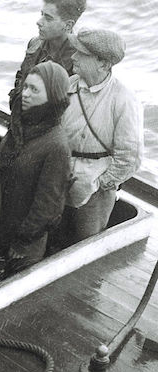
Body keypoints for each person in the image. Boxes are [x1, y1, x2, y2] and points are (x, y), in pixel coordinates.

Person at [58, 29, 143, 244]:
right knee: (54, 237)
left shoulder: (124, 99)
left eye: (82, 54)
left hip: (93, 189)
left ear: (103, 64)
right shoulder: (69, 84)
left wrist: (100, 183)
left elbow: (130, 158)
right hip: (59, 177)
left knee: (84, 244)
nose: (73, 57)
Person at [0, 61, 72, 274]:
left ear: (53, 96)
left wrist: (22, 242)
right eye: (26, 87)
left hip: (22, 245)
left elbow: (48, 205)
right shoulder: (20, 125)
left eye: (35, 90)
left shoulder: (56, 145)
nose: (26, 94)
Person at [8, 0, 86, 110]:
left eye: (48, 18)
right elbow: (20, 80)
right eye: (42, 15)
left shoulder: (78, 61)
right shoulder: (34, 44)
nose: (39, 22)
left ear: (68, 25)